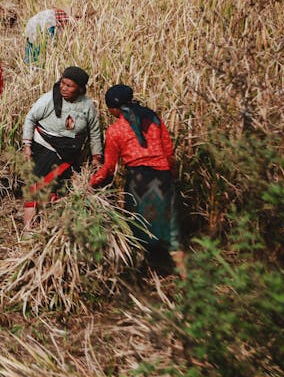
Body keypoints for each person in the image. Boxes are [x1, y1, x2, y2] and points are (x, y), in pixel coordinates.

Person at [90, 85, 186, 278]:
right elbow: (168, 152)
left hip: (139, 182)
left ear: (114, 108)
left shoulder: (115, 131)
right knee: (171, 230)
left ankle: (138, 279)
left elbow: (109, 168)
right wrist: (172, 176)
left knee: (138, 228)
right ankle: (185, 278)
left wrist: (91, 183)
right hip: (163, 178)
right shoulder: (153, 119)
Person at [22, 66, 103, 229]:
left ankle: (48, 225)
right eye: (62, 83)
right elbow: (30, 119)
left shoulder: (87, 105)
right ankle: (28, 228)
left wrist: (96, 157)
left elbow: (94, 131)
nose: (63, 88)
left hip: (69, 154)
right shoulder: (49, 99)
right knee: (35, 185)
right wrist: (27, 145)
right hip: (44, 147)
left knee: (57, 188)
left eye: (69, 86)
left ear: (80, 89)